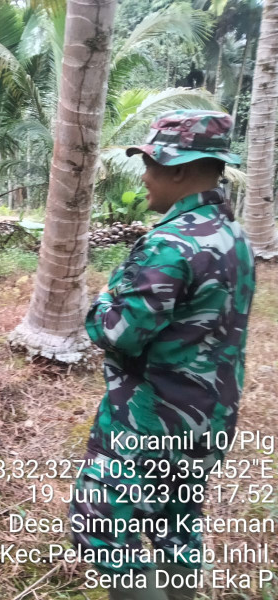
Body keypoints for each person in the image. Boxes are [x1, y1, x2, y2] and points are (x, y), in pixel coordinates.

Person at [69, 111, 256, 599]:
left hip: (151, 424)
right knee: (178, 529)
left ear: (178, 168)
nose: (145, 176)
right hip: (207, 422)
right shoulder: (234, 238)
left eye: (150, 163)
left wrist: (102, 299)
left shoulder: (170, 243)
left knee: (102, 525)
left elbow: (118, 331)